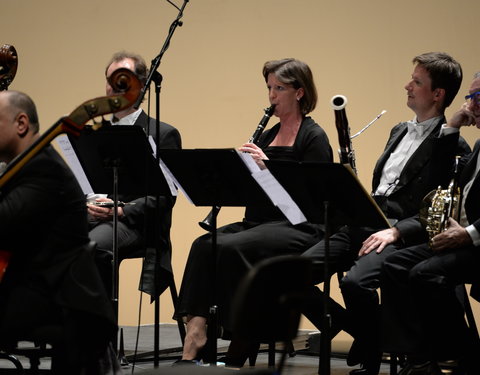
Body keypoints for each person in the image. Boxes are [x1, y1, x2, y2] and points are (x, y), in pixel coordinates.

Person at [301, 52, 471, 375]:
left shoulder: (453, 146)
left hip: (400, 232)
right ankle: (363, 333)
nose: (407, 86)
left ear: (438, 94)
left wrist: (397, 231)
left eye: (417, 82)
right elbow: (383, 187)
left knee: (356, 284)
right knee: (291, 272)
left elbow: (438, 206)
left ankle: (372, 349)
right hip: (365, 222)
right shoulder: (397, 131)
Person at [174, 58, 333, 366]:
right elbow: (253, 190)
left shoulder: (313, 137)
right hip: (259, 221)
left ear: (299, 93)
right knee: (204, 246)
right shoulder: (265, 135)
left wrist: (268, 168)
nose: (272, 96)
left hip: (300, 225)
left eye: (280, 88)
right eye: (269, 88)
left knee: (234, 249)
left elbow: (311, 199)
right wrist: (238, 171)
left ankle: (241, 342)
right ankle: (195, 334)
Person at [0, 91, 117, 374]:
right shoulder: (24, 167)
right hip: (33, 286)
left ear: (21, 123)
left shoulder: (43, 169)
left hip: (56, 299)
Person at [380, 72, 480, 375]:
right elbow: (437, 181)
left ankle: (465, 355)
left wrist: (469, 234)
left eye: (475, 97)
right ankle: (422, 359)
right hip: (462, 237)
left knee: (425, 274)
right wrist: (450, 127)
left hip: (476, 241)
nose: (470, 105)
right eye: (470, 97)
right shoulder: (476, 145)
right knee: (395, 265)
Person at [87, 51, 182, 298]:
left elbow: (165, 198)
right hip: (95, 215)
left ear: (142, 87)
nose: (114, 87)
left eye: (123, 79)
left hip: (137, 223)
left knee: (92, 247)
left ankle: (98, 332)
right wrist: (87, 204)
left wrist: (119, 210)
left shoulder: (162, 134)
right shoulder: (95, 131)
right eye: (110, 80)